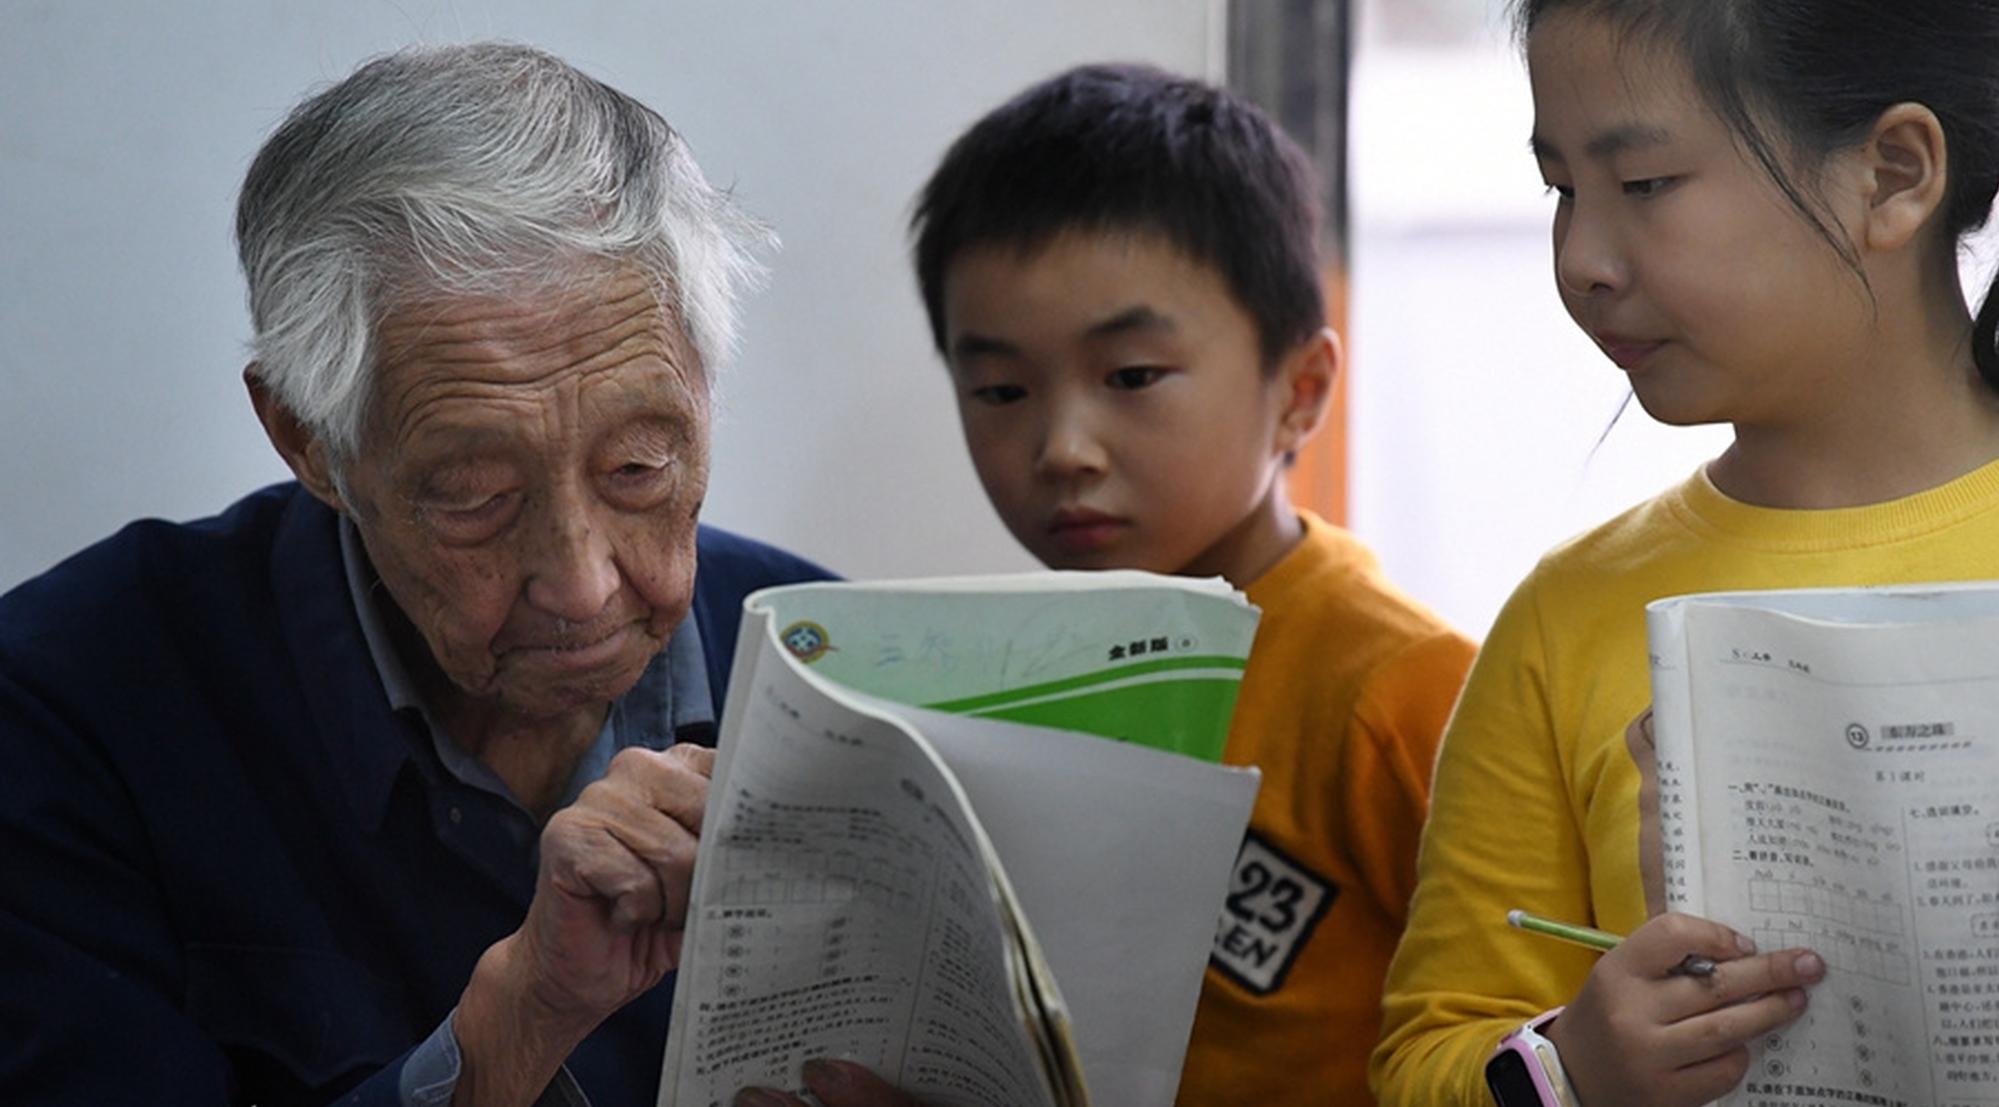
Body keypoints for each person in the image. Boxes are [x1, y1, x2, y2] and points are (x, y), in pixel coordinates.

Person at [0, 43, 852, 1107]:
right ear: (307, 440)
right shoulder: (62, 717)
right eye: (476, 496)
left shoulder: (842, 671)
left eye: (638, 467)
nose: (583, 585)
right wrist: (507, 1033)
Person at [1373, 2, 1999, 1104]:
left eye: (1645, 186)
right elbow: (1425, 1056)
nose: (1581, 260)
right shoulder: (1566, 617)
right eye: (1560, 190)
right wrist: (1575, 1069)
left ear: (1893, 174)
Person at [904, 63, 1479, 1106]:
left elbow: (1526, 1037)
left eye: (1130, 377)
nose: (1062, 447)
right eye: (998, 389)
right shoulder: (1003, 685)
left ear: (1299, 392)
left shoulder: (1399, 691)